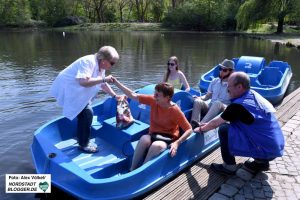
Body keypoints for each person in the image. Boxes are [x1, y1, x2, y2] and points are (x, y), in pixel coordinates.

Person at [194, 72, 284, 175]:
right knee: (238, 127)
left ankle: (229, 166)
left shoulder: (238, 106)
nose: (227, 90)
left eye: (229, 87)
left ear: (240, 87)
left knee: (224, 129)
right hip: (275, 147)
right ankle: (261, 162)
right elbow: (236, 113)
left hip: (265, 149)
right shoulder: (252, 94)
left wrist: (200, 129)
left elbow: (215, 124)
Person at [50, 46, 119, 153]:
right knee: (87, 114)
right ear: (104, 60)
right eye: (112, 63)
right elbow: (83, 82)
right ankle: (83, 144)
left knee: (84, 113)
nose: (113, 66)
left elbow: (102, 84)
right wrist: (104, 78)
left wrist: (115, 96)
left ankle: (82, 138)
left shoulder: (101, 66)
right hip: (69, 88)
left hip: (77, 92)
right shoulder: (88, 61)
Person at [112, 79, 192, 171]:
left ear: (167, 97)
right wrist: (116, 82)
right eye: (155, 93)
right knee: (143, 139)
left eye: (157, 95)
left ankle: (142, 170)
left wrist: (177, 143)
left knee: (156, 145)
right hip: (153, 134)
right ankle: (132, 168)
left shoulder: (174, 110)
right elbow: (133, 95)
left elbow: (189, 129)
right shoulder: (154, 100)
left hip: (168, 138)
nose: (154, 96)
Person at [190, 59, 234, 128]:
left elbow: (234, 103)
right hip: (210, 107)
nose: (221, 72)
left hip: (222, 111)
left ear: (231, 72)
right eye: (220, 69)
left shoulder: (233, 85)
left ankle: (201, 125)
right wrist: (200, 98)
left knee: (217, 103)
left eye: (224, 70)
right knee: (197, 101)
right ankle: (193, 124)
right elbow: (207, 96)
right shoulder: (214, 81)